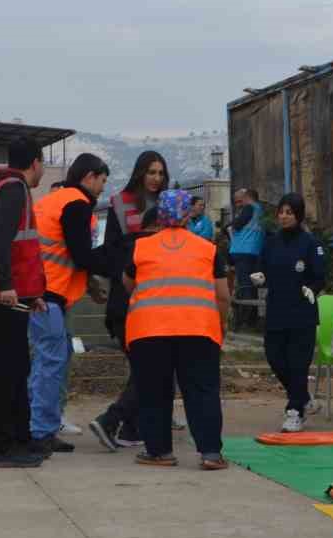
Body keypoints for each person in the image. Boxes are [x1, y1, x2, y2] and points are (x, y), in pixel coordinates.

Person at [124, 190, 231, 470]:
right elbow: (222, 295)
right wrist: (222, 322)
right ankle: (210, 454)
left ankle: (159, 452)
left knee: (154, 392)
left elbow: (128, 282)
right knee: (202, 391)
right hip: (199, 330)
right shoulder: (207, 249)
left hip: (149, 332)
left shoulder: (142, 248)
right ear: (187, 215)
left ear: (160, 214)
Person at [27, 154, 112, 455]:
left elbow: (70, 254)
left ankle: (39, 426)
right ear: (90, 177)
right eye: (102, 181)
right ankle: (40, 432)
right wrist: (118, 259)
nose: (103, 188)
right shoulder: (75, 204)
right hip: (47, 296)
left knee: (49, 361)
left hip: (43, 293)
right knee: (51, 364)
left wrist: (88, 283)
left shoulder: (56, 200)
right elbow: (82, 255)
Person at [87, 150, 170, 452]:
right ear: (139, 173)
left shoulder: (170, 204)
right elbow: (110, 252)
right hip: (129, 299)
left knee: (146, 369)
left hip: (159, 300)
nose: (156, 179)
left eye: (161, 173)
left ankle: (131, 429)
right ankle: (113, 419)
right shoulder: (121, 204)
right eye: (151, 172)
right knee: (149, 370)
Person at [0, 138, 49, 468]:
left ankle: (20, 439)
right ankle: (5, 446)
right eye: (42, 164)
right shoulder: (13, 189)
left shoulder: (1, 188)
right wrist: (7, 286)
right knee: (9, 373)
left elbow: (16, 247)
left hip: (10, 296)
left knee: (16, 369)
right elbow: (3, 243)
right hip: (3, 296)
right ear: (35, 162)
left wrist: (32, 296)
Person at [251, 193, 327, 432]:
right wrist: (259, 277)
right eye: (281, 212)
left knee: (297, 363)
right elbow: (262, 268)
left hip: (302, 312)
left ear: (299, 215)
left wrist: (311, 289)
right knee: (274, 357)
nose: (284, 217)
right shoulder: (271, 241)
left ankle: (295, 411)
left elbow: (319, 276)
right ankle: (303, 397)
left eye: (289, 212)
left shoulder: (310, 243)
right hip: (276, 310)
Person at [228, 189, 266, 329]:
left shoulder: (249, 208)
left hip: (243, 251)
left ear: (247, 198)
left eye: (241, 199)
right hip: (255, 251)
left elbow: (237, 225)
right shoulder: (261, 211)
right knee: (253, 285)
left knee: (244, 286)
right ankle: (253, 319)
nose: (240, 202)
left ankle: (244, 320)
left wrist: (231, 225)